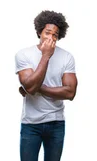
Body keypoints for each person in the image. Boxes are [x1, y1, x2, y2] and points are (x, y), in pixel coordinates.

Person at [15, 10, 77, 161]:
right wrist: (46, 56)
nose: (51, 38)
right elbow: (30, 87)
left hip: (56, 123)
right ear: (39, 32)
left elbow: (70, 93)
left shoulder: (67, 57)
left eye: (55, 35)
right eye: (47, 33)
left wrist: (36, 89)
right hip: (31, 124)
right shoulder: (23, 54)